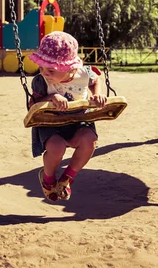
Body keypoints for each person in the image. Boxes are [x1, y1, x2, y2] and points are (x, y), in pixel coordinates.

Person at [27, 31, 107, 202]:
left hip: (78, 119)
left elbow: (95, 80)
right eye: (41, 67)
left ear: (70, 68)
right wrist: (51, 97)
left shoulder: (84, 74)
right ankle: (48, 177)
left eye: (51, 69)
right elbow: (31, 105)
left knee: (90, 141)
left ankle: (67, 178)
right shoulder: (42, 82)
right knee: (56, 148)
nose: (45, 73)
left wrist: (97, 95)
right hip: (51, 122)